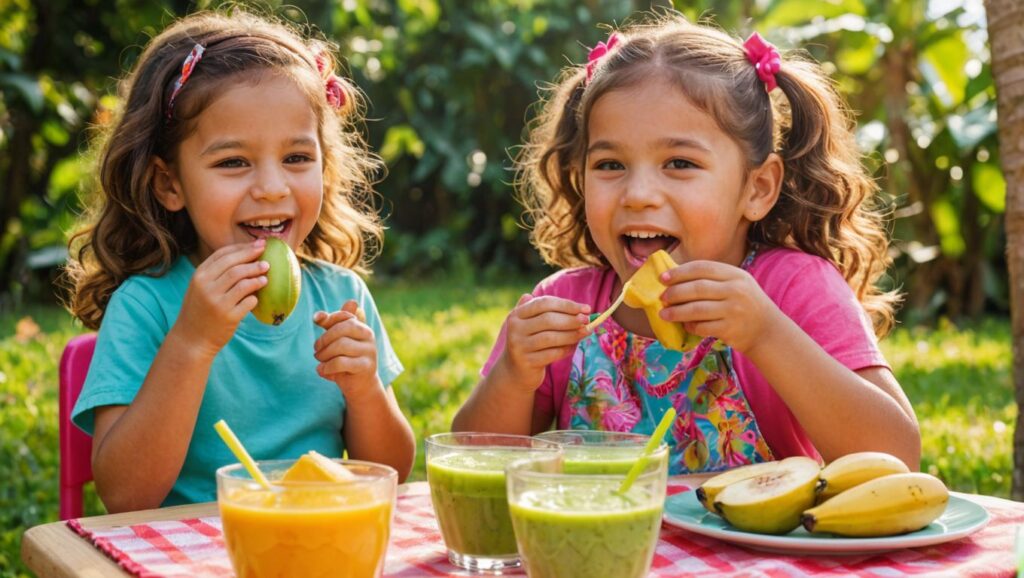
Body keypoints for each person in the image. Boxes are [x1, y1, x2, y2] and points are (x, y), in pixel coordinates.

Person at [452, 13, 921, 474]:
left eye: (679, 164)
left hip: (755, 553)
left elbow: (897, 457)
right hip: (594, 549)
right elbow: (473, 462)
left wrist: (765, 334)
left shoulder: (792, 289)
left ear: (757, 188)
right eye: (610, 165)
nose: (638, 195)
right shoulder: (566, 307)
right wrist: (513, 375)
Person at [65, 9, 415, 511]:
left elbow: (392, 475)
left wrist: (364, 392)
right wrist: (191, 342)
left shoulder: (341, 298)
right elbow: (125, 496)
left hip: (310, 541)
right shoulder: (148, 305)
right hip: (188, 554)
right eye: (233, 162)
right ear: (170, 183)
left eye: (297, 158)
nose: (272, 189)